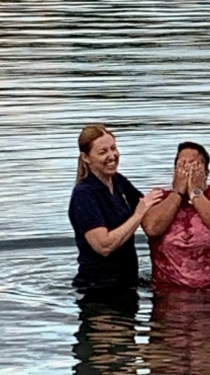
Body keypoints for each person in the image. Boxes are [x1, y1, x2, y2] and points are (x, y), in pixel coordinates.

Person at [68, 124, 163, 292]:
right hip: (98, 290)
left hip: (127, 284)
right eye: (103, 152)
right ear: (86, 158)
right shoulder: (84, 195)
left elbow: (149, 205)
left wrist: (185, 196)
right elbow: (104, 246)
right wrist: (138, 214)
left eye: (113, 148)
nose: (112, 156)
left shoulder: (118, 181)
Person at [141, 142, 210, 290]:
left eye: (194, 165)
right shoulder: (160, 198)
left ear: (206, 172)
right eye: (182, 165)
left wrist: (196, 193)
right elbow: (152, 228)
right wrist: (177, 193)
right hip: (169, 294)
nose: (188, 170)